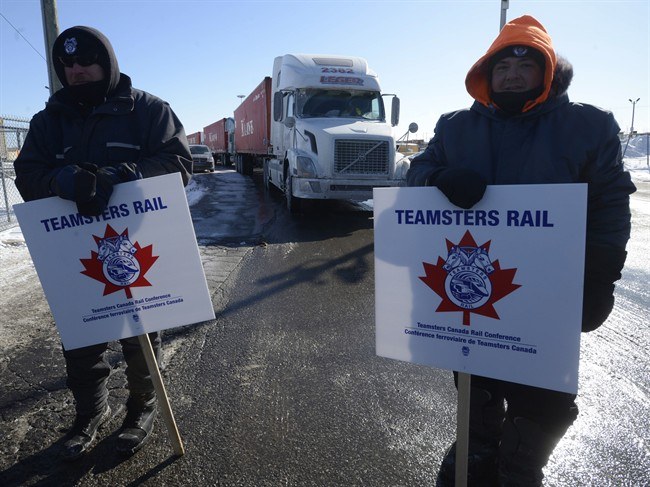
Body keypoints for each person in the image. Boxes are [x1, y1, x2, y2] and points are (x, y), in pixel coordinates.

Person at [406, 15, 635, 486]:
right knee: (476, 382)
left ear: (548, 71)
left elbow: (611, 201)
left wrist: (601, 276)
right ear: (485, 75)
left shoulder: (589, 126)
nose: (511, 74)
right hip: (472, 287)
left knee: (545, 396)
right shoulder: (454, 127)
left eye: (525, 64)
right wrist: (438, 177)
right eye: (501, 66)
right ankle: (475, 450)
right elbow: (416, 171)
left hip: (550, 289)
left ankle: (520, 464)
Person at [14, 26, 192, 460]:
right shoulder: (47, 122)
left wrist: (124, 175)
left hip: (139, 250)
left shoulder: (148, 110)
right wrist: (61, 179)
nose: (75, 71)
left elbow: (177, 162)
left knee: (142, 341)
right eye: (67, 65)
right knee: (82, 341)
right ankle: (90, 412)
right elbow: (27, 174)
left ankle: (141, 408)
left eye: (85, 62)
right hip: (76, 254)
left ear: (107, 63)